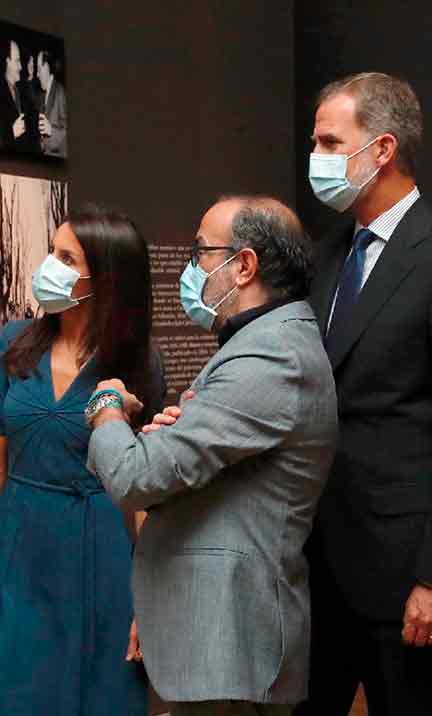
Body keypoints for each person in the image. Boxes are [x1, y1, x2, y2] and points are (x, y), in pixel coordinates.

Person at [298, 72, 432, 715]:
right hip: (316, 562)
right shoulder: (328, 255)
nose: (316, 157)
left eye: (330, 142)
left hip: (405, 572)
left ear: (383, 149)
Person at [88, 197, 335, 716]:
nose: (191, 268)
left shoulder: (270, 355)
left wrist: (106, 407)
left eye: (201, 252)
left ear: (244, 266)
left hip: (231, 639)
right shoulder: (257, 343)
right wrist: (168, 437)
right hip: (218, 637)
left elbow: (134, 476)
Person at [0, 205, 165, 716]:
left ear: (104, 278)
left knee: (93, 693)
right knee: (5, 691)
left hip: (96, 549)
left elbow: (145, 492)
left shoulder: (137, 362)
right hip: (18, 546)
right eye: (52, 252)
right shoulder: (15, 344)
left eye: (67, 258)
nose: (50, 266)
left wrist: (151, 598)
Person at [0, 40, 35, 152]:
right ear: (8, 61)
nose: (20, 67)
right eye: (17, 61)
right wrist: (12, 133)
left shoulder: (23, 90)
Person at [37, 50, 67, 157]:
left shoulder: (60, 92)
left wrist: (51, 131)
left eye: (38, 69)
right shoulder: (44, 94)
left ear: (46, 67)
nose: (37, 74)